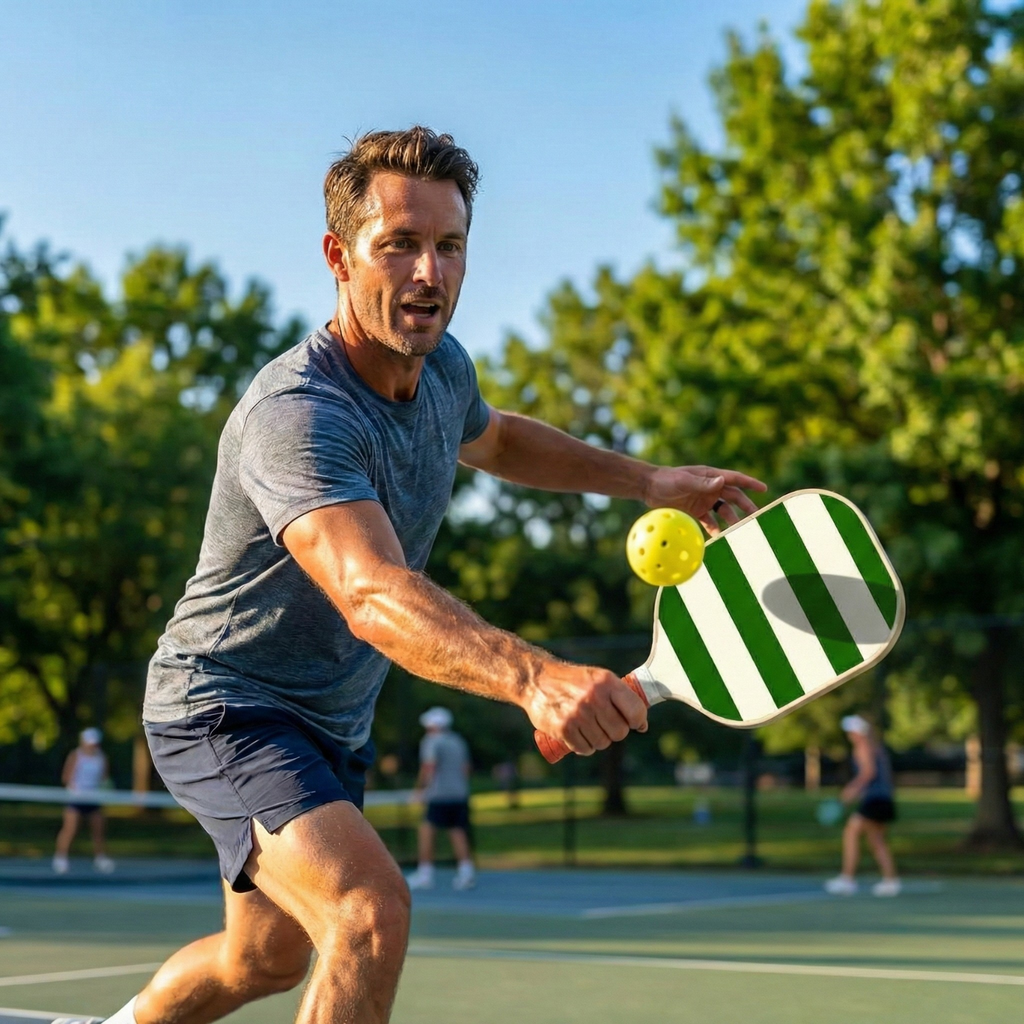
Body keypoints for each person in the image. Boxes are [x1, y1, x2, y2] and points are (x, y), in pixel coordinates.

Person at [107, 126, 765, 1024]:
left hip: (329, 720)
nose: (430, 272)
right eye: (400, 245)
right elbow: (370, 592)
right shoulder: (297, 416)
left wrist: (647, 481)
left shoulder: (443, 369)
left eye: (449, 246)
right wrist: (534, 678)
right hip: (225, 704)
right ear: (340, 256)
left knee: (260, 959)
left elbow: (497, 440)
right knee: (366, 913)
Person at [824, 714, 900, 897]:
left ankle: (847, 879)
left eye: (851, 731)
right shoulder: (876, 748)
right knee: (877, 841)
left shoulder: (863, 747)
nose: (849, 735)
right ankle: (891, 881)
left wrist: (850, 791)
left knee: (851, 831)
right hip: (884, 799)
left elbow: (868, 773)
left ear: (858, 732)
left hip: (875, 800)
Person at [407, 707, 474, 891]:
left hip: (438, 795)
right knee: (457, 831)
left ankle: (425, 874)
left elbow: (429, 767)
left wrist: (420, 790)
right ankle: (466, 872)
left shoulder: (430, 741)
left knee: (426, 830)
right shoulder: (458, 741)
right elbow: (466, 769)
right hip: (459, 794)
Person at [53, 727, 115, 875]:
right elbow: (66, 777)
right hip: (76, 798)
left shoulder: (102, 757)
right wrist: (76, 790)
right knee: (70, 829)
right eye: (89, 743)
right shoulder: (75, 755)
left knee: (98, 829)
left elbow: (104, 778)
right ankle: (60, 859)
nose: (92, 746)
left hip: (93, 798)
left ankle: (100, 859)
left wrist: (104, 790)